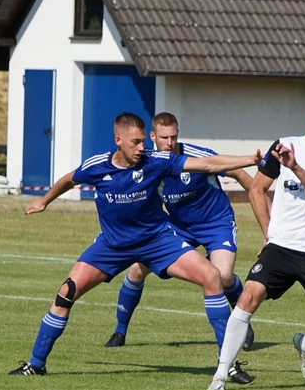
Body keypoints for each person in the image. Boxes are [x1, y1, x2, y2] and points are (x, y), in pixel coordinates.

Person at [9, 112, 260, 377]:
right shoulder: (97, 165)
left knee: (212, 276)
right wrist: (44, 201)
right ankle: (36, 364)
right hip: (112, 245)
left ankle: (228, 364)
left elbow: (208, 165)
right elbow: (69, 179)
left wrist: (251, 159)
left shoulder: (156, 161)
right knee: (66, 293)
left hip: (157, 240)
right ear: (118, 140)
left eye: (143, 141)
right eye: (135, 142)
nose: (142, 148)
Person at [209, 99, 305, 390]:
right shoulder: (283, 145)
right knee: (248, 296)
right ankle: (220, 376)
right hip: (281, 248)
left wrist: (294, 167)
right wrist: (268, 234)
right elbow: (256, 189)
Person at [106, 112, 257, 363]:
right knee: (136, 269)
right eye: (164, 137)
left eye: (174, 137)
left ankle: (241, 321)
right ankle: (120, 332)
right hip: (178, 225)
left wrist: (260, 196)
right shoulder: (147, 161)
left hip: (215, 223)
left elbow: (238, 173)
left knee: (223, 276)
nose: (170, 142)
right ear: (152, 136)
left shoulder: (196, 155)